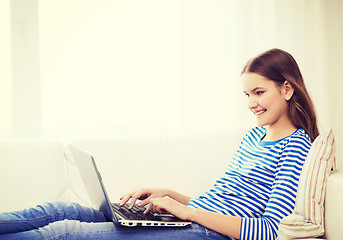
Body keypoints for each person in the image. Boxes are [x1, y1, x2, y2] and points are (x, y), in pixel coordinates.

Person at [0, 48, 318, 240]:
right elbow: (229, 200)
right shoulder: (254, 136)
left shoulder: (296, 148)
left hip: (206, 233)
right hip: (193, 220)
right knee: (61, 209)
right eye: (246, 94)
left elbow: (270, 230)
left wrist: (186, 212)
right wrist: (169, 196)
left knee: (62, 233)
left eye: (259, 92)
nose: (251, 103)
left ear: (287, 89)